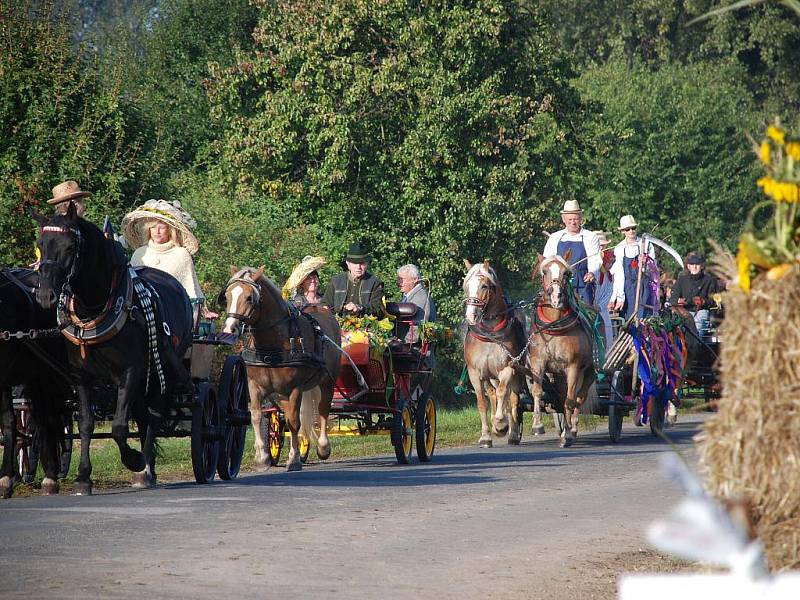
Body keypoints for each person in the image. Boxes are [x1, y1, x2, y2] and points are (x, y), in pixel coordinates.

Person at [121, 199, 217, 321]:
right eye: (153, 227)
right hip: (142, 315)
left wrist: (203, 311)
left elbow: (191, 289)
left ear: (170, 230)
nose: (157, 231)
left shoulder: (181, 255)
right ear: (148, 229)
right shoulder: (139, 254)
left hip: (174, 315)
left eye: (162, 227)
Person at [542, 200, 601, 305]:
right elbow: (546, 261)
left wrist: (591, 272)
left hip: (582, 283)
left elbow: (595, 259)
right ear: (563, 219)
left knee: (588, 315)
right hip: (559, 284)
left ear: (581, 218)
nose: (573, 222)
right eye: (570, 219)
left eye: (576, 219)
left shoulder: (590, 237)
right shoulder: (554, 237)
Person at [608, 215, 658, 320]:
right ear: (623, 231)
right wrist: (620, 297)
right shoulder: (619, 248)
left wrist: (646, 264)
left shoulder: (646, 245)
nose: (631, 231)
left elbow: (654, 269)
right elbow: (619, 274)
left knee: (644, 318)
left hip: (643, 287)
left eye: (633, 228)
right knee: (629, 320)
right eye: (628, 229)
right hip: (628, 288)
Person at [321, 241, 385, 317]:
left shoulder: (375, 283)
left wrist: (359, 308)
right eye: (355, 263)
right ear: (348, 264)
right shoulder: (335, 281)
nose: (358, 267)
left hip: (366, 326)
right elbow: (325, 304)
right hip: (337, 325)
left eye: (362, 263)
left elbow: (379, 309)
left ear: (367, 264)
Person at [669, 252, 726, 334]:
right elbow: (673, 298)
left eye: (697, 264)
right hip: (685, 311)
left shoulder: (710, 280)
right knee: (680, 331)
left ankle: (696, 342)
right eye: (692, 264)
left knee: (696, 331)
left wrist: (704, 301)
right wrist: (678, 301)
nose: (694, 267)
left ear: (702, 266)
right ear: (688, 266)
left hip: (701, 311)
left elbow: (715, 300)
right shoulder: (682, 280)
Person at [396, 263, 436, 343]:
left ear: (415, 279)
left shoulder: (420, 297)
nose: (399, 283)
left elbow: (417, 329)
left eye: (402, 279)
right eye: (398, 279)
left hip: (415, 351)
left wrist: (401, 343)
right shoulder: (409, 295)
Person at [592, 232, 615, 351]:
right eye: (599, 246)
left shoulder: (609, 276)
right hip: (591, 305)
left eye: (603, 246)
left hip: (601, 308)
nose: (601, 248)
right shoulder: (592, 267)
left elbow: (608, 292)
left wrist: (600, 306)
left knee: (606, 331)